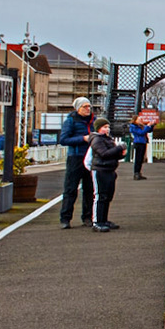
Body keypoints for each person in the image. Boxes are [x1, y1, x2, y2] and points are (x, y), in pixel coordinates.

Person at [58, 97, 95, 228]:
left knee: (89, 189)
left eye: (89, 106)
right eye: (85, 107)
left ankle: (87, 217)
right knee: (70, 189)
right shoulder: (71, 121)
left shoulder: (93, 121)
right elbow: (64, 139)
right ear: (78, 108)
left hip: (90, 158)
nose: (88, 109)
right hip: (76, 157)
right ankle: (65, 218)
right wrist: (83, 139)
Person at [86, 119, 124, 231]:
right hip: (100, 170)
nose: (107, 129)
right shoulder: (96, 139)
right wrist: (119, 148)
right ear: (98, 128)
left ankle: (104, 220)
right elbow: (104, 154)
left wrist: (120, 154)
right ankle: (97, 222)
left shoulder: (108, 139)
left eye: (108, 127)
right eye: (104, 127)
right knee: (100, 196)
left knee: (107, 196)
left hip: (109, 169)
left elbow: (112, 155)